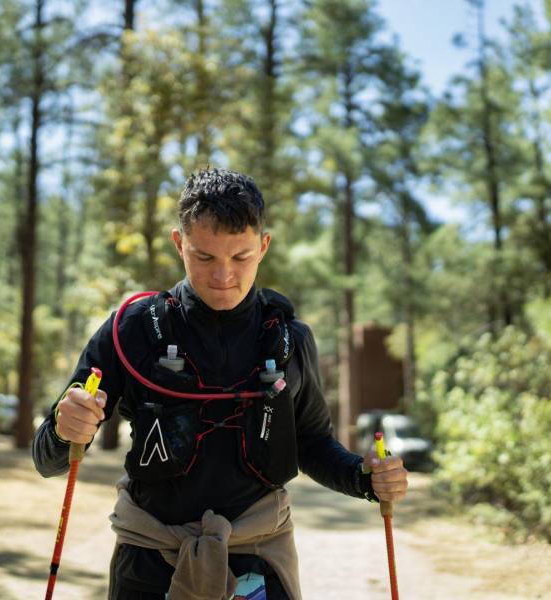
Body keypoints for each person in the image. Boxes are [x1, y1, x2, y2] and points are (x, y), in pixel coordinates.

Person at [33, 167, 408, 599]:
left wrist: (365, 479)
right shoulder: (131, 329)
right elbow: (47, 458)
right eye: (204, 256)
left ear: (263, 246)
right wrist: (66, 430)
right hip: (150, 559)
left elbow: (311, 443)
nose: (223, 276)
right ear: (179, 243)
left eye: (241, 257)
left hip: (258, 560)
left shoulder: (290, 340)